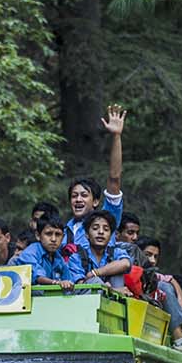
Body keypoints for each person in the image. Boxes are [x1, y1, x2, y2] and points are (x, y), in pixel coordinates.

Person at [64, 105, 129, 256]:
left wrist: (116, 136)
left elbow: (114, 178)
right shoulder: (62, 231)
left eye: (84, 195)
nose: (78, 199)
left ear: (95, 201)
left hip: (101, 271)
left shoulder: (106, 219)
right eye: (74, 196)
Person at [134, 243, 182, 360]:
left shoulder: (153, 276)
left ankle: (181, 338)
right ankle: (180, 341)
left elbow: (168, 279)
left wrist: (181, 297)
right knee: (163, 286)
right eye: (148, 255)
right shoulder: (128, 266)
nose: (152, 260)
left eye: (155, 257)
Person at [11, 220, 82, 289]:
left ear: (63, 237)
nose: (53, 239)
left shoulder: (58, 257)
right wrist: (57, 283)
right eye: (48, 234)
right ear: (38, 235)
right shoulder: (30, 253)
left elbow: (68, 280)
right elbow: (38, 277)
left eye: (58, 234)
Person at [76, 209, 133, 288]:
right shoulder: (77, 256)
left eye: (106, 229)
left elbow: (125, 264)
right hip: (89, 295)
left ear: (110, 236)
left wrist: (96, 272)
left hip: (113, 293)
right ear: (87, 234)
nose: (101, 232)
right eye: (95, 228)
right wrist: (104, 287)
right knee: (94, 280)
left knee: (117, 273)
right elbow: (79, 285)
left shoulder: (115, 252)